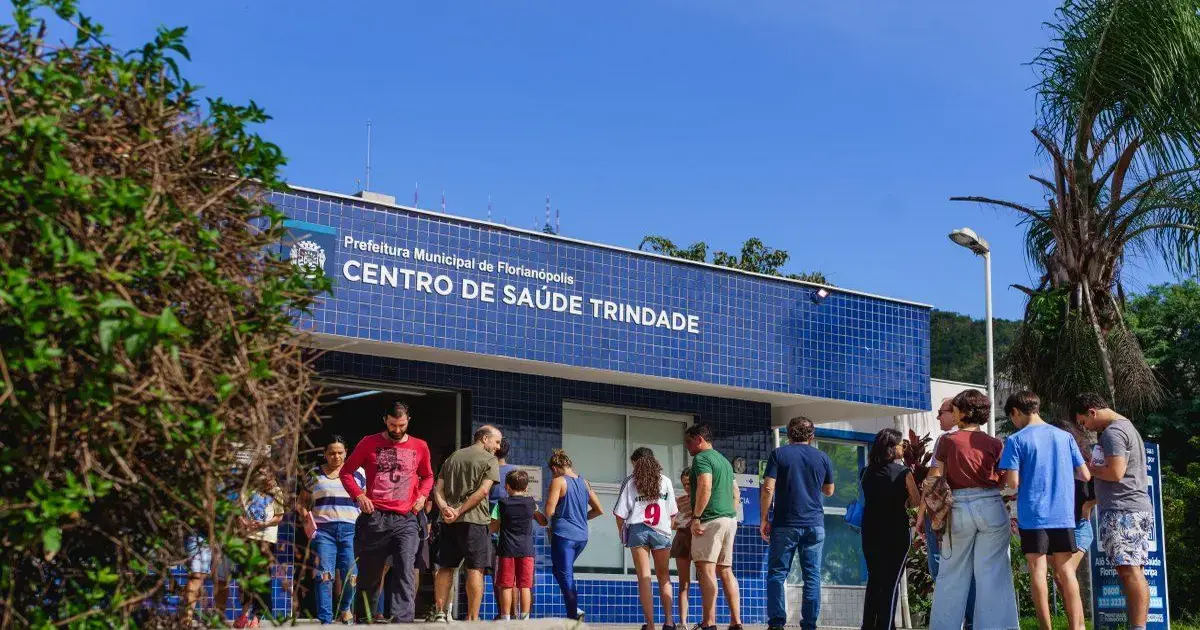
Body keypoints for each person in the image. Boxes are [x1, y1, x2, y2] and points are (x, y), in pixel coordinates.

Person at [924, 389, 1018, 630]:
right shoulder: (995, 443)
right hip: (991, 505)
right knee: (993, 575)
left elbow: (935, 478)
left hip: (958, 507)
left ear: (964, 412)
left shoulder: (947, 441)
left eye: (955, 409)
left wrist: (928, 511)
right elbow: (1003, 481)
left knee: (951, 576)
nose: (953, 413)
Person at [999, 391, 1091, 630]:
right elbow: (1085, 474)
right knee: (1066, 571)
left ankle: (1045, 628)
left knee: (1037, 571)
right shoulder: (1065, 437)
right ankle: (1076, 627)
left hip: (1033, 515)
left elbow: (1013, 483)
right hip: (1064, 515)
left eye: (1012, 418)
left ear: (1016, 412)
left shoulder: (1016, 440)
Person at [341, 401, 434, 623]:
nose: (397, 430)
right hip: (375, 518)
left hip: (406, 519)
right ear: (385, 420)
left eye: (402, 425)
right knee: (370, 575)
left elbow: (428, 476)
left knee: (405, 570)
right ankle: (364, 619)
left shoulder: (420, 446)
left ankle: (403, 621)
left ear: (408, 420)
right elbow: (346, 472)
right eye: (393, 425)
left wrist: (422, 496)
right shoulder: (368, 442)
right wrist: (359, 496)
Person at [1074, 392, 1154, 630]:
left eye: (1083, 422)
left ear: (1092, 412)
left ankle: (1138, 627)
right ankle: (1137, 626)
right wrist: (1092, 502)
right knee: (1133, 570)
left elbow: (1116, 473)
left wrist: (1090, 468)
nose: (1085, 427)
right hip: (1132, 507)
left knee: (1129, 571)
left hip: (1123, 511)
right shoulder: (1126, 427)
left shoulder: (1113, 432)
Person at [760, 417, 832, 630]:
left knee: (777, 573)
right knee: (812, 575)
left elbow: (767, 488)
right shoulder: (822, 457)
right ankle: (809, 624)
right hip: (814, 524)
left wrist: (764, 518)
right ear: (812, 436)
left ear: (789, 434)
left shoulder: (779, 454)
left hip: (785, 524)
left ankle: (776, 623)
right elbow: (829, 490)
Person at [431, 425, 503, 622]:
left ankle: (439, 613)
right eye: (496, 442)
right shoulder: (489, 460)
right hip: (475, 521)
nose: (498, 447)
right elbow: (483, 492)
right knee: (475, 568)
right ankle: (472, 618)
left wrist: (446, 508)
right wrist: (460, 510)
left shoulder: (452, 457)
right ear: (485, 439)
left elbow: (437, 489)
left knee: (446, 566)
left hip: (448, 522)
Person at [298, 436, 365, 625]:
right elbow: (301, 501)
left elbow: (366, 500)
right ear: (325, 454)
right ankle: (326, 619)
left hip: (351, 530)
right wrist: (305, 517)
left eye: (340, 452)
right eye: (332, 453)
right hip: (323, 531)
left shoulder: (357, 473)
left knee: (352, 575)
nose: (336, 456)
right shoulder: (314, 474)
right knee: (323, 575)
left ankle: (345, 608)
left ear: (346, 453)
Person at [860, 429, 921, 630]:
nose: (903, 448)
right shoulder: (903, 472)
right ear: (891, 448)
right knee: (891, 582)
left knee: (875, 579)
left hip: (870, 531)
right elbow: (915, 500)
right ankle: (885, 626)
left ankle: (868, 625)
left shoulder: (866, 472)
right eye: (900, 445)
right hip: (895, 532)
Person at [614, 447, 678, 630]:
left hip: (638, 530)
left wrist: (622, 533)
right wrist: (667, 529)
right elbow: (673, 513)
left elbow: (620, 514)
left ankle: (650, 625)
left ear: (637, 463)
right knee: (664, 577)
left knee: (644, 577)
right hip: (662, 531)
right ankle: (669, 622)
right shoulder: (665, 481)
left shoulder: (631, 482)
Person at [924, 398, 975, 629]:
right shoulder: (983, 439)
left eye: (941, 412)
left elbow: (933, 481)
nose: (938, 417)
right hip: (976, 511)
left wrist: (922, 513)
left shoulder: (946, 440)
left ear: (955, 413)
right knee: (972, 569)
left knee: (940, 567)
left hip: (946, 513)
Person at [686, 423, 743, 630]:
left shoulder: (701, 459)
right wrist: (729, 514)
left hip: (709, 520)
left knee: (706, 570)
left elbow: (705, 485)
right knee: (726, 570)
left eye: (689, 442)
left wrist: (697, 517)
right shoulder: (724, 461)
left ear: (700, 439)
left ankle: (709, 623)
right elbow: (736, 494)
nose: (687, 447)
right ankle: (736, 621)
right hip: (729, 520)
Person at [543, 448, 605, 621]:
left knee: (565, 574)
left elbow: (549, 510)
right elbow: (599, 510)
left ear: (554, 468)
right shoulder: (584, 482)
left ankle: (572, 617)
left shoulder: (558, 481)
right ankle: (575, 609)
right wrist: (579, 517)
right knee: (559, 570)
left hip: (564, 536)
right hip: (581, 537)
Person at [1049, 417, 1097, 625]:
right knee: (1060, 579)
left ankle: (1078, 626)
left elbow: (1104, 489)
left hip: (1078, 526)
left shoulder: (1083, 463)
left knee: (1064, 572)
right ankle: (1076, 623)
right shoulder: (1050, 464)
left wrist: (1088, 506)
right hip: (1054, 527)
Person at [233, 467, 286, 628]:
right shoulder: (246, 490)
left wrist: (263, 523)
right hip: (246, 538)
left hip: (266, 540)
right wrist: (243, 521)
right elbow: (238, 511)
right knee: (245, 577)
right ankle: (243, 613)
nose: (266, 477)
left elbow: (279, 517)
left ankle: (255, 617)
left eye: (268, 474)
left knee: (262, 578)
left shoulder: (276, 491)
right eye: (262, 474)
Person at [489, 469, 543, 621]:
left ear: (507, 487)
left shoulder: (501, 504)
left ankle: (506, 618)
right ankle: (524, 619)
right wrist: (536, 510)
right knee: (524, 586)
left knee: (506, 585)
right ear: (526, 488)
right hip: (526, 550)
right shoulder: (531, 504)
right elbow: (543, 522)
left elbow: (493, 527)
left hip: (506, 550)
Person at [487, 437, 516, 619]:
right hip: (513, 533)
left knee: (497, 576)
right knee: (512, 577)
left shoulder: (489, 471)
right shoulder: (516, 472)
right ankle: (513, 615)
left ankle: (502, 614)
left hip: (491, 529)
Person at [670, 467, 694, 629]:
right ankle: (683, 622)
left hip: (700, 539)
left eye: (689, 483)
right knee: (683, 583)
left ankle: (708, 620)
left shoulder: (706, 497)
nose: (686, 486)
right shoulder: (680, 501)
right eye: (684, 484)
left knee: (707, 580)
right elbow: (671, 523)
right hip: (682, 538)